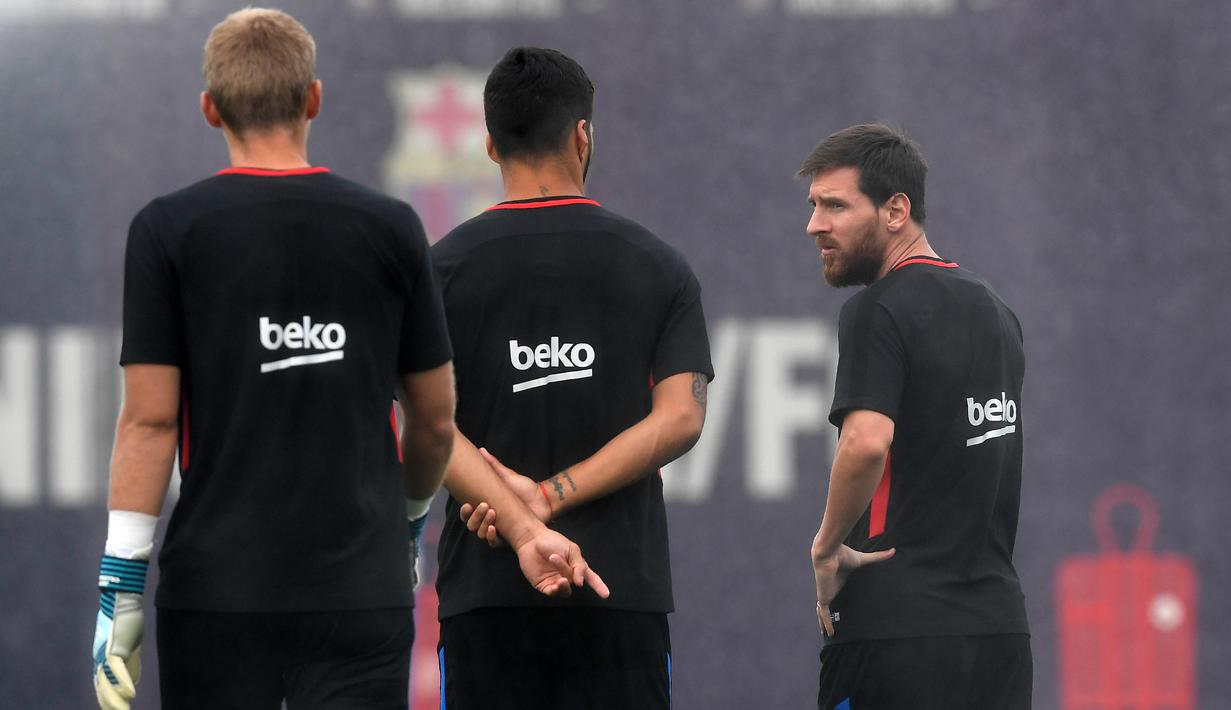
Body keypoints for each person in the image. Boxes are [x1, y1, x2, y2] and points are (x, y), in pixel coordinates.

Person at [90, 11, 595, 709]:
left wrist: (120, 587)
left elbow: (147, 423)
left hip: (216, 593)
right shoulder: (387, 227)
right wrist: (408, 522)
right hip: (359, 590)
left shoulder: (167, 230)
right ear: (314, 99)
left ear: (209, 110)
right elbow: (432, 416)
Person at [431, 46, 713, 710]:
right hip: (616, 595)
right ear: (582, 134)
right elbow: (681, 417)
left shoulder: (437, 271)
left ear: (491, 147)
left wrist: (516, 514)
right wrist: (550, 497)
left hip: (485, 594)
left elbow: (427, 430)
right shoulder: (656, 264)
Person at [801, 124, 1031, 709]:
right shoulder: (997, 310)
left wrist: (827, 548)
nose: (815, 225)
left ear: (896, 210)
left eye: (835, 205)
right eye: (813, 206)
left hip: (898, 634)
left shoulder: (876, 310)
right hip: (998, 634)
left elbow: (866, 443)